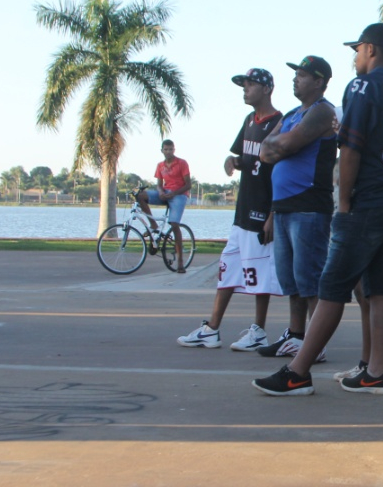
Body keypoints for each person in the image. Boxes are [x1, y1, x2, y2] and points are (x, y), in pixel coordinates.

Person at [253, 22, 383, 397]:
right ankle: (376, 371)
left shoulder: (363, 86)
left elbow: (352, 149)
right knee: (379, 286)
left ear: (372, 50)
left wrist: (343, 204)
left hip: (369, 199)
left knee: (332, 285)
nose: (355, 58)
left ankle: (297, 372)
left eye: (358, 50)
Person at [177, 68, 283, 350]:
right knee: (227, 267)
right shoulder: (249, 120)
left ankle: (258, 330)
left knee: (259, 275)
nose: (245, 89)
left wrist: (273, 214)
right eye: (244, 85)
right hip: (242, 210)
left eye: (250, 85)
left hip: (262, 212)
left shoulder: (280, 123)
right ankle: (212, 328)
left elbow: (282, 171)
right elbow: (243, 157)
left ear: (267, 89)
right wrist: (232, 161)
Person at [255, 55, 338, 360]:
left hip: (308, 206)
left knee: (309, 278)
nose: (296, 79)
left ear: (319, 81)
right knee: (290, 279)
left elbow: (286, 145)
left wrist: (279, 145)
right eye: (296, 75)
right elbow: (266, 150)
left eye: (302, 75)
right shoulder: (291, 113)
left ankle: (315, 344)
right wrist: (277, 145)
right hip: (284, 207)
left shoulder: (322, 112)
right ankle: (295, 335)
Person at [138, 139, 192, 273]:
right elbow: (159, 184)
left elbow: (188, 185)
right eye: (166, 149)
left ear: (174, 150)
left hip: (179, 194)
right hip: (165, 193)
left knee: (174, 224)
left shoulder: (182, 163)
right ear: (161, 150)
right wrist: (161, 192)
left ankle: (180, 261)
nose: (168, 152)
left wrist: (173, 193)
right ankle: (154, 225)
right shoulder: (160, 165)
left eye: (170, 149)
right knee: (140, 196)